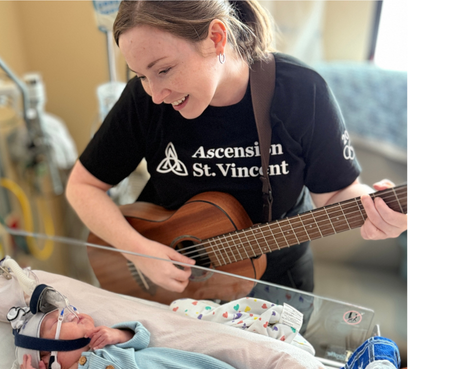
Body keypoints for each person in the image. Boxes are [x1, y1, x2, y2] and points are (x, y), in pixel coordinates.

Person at [65, 0, 408, 294]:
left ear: (216, 37)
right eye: (141, 75)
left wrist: (378, 212)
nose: (155, 94)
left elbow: (335, 195)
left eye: (165, 70)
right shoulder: (144, 101)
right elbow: (82, 187)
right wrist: (138, 251)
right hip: (173, 287)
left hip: (277, 285)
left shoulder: (301, 92)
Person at [16, 307, 271, 369]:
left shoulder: (103, 344)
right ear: (50, 358)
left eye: (66, 310)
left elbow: (142, 338)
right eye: (58, 321)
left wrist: (118, 335)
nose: (71, 313)